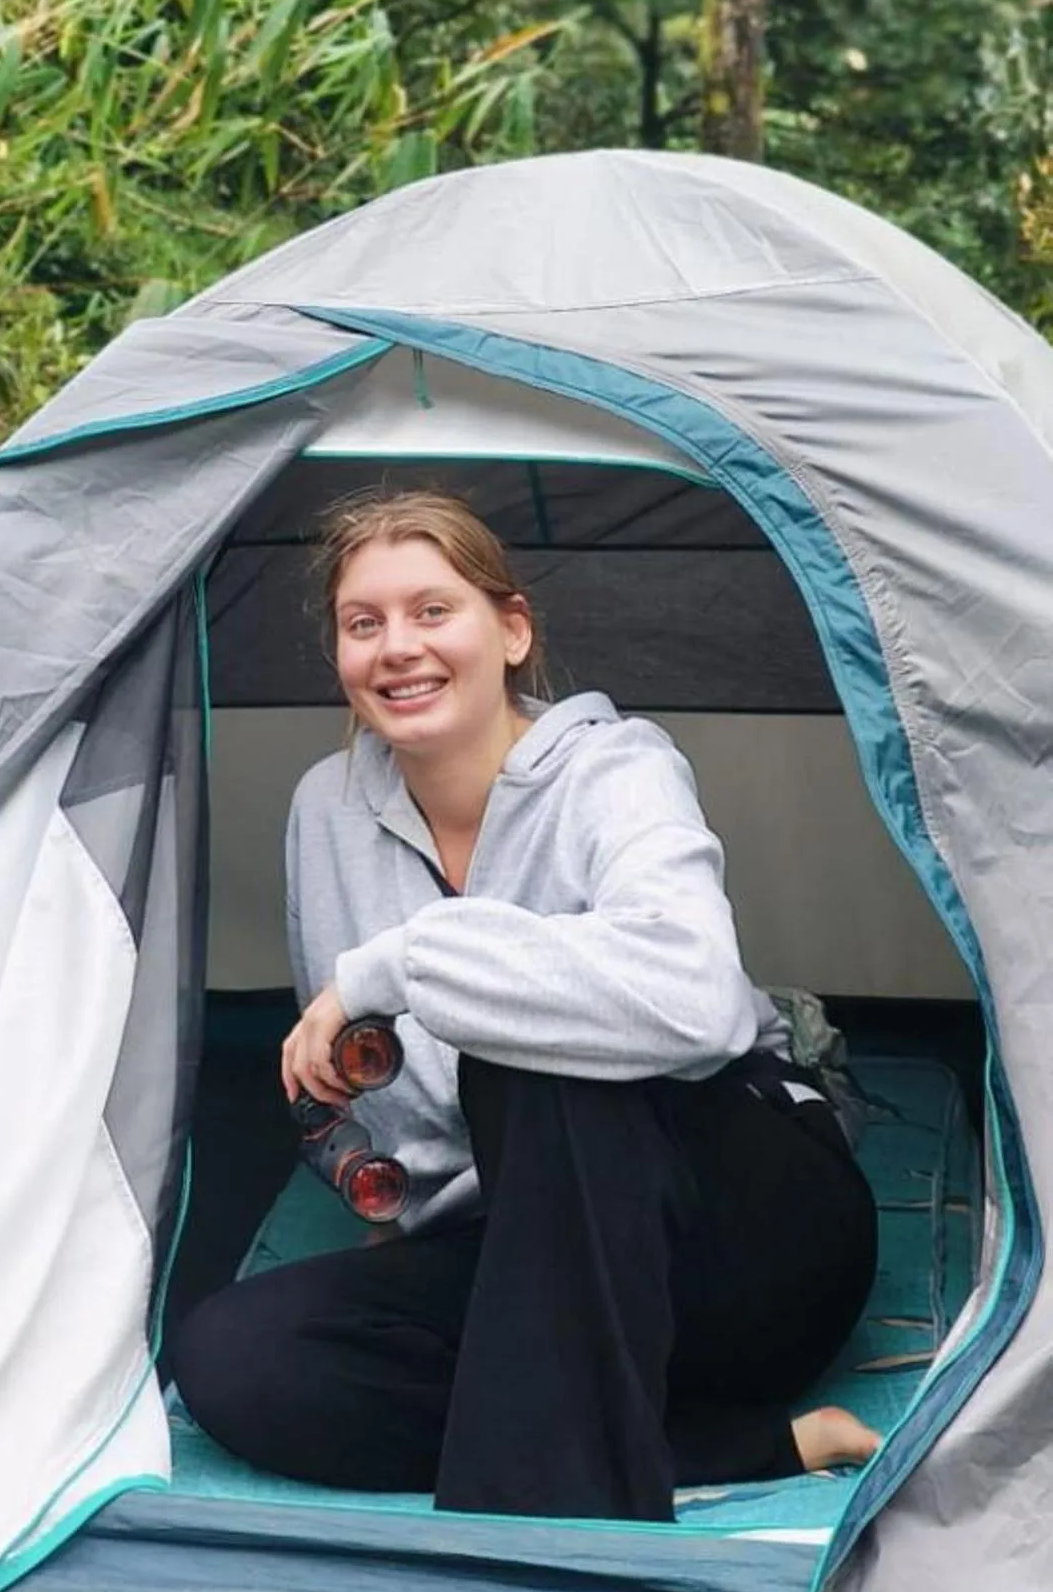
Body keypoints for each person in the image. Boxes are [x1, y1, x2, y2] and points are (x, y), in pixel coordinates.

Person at [172, 491, 880, 1522]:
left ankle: (536, 1529)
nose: (397, 647)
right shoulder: (326, 808)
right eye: (363, 623)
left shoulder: (617, 768)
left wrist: (404, 965)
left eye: (432, 611)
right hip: (527, 1254)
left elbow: (698, 1001)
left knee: (529, 1051)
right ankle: (728, 1448)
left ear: (510, 630)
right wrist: (369, 1174)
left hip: (743, 1241)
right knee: (237, 1359)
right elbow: (352, 1081)